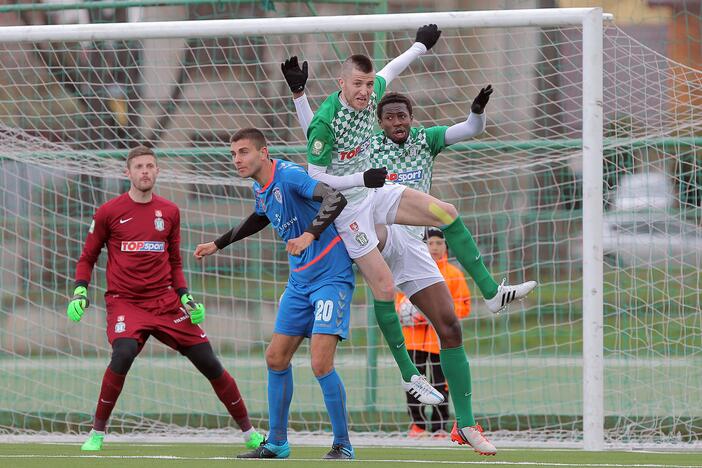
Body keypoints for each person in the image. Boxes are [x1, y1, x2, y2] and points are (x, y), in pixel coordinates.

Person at [282, 52, 536, 455]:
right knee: (382, 287)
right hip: (352, 212)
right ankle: (408, 374)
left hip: (388, 210)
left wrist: (421, 46)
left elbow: (390, 72)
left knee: (450, 313)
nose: (366, 92)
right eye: (358, 85)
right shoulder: (332, 120)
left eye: (369, 86)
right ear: (341, 83)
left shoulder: (401, 121)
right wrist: (299, 95)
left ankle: (467, 416)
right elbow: (316, 161)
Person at [66, 146, 263, 451]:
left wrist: (186, 297)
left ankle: (249, 432)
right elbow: (87, 256)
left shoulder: (170, 211)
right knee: (123, 352)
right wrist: (80, 290)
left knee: (209, 361)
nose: (144, 171)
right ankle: (97, 432)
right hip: (125, 303)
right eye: (139, 167)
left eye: (150, 166)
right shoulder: (109, 212)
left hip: (166, 302)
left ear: (157, 171)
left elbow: (174, 263)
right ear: (128, 173)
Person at [193, 128, 356, 460]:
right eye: (233, 154)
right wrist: (218, 244)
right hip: (299, 282)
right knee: (275, 358)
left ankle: (343, 444)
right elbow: (260, 217)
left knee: (320, 363)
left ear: (263, 153)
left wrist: (310, 236)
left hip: (330, 277)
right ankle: (278, 443)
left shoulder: (292, 176)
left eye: (243, 152)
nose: (237, 159)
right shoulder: (260, 186)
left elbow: (335, 199)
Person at [396, 229, 470, 439]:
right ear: (424, 246)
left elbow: (464, 306)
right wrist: (408, 313)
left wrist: (436, 314)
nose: (435, 247)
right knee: (415, 383)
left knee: (440, 384)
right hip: (413, 340)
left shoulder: (454, 275)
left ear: (446, 246)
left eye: (439, 243)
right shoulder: (410, 270)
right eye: (431, 243)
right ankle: (417, 425)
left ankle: (439, 426)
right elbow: (399, 304)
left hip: (439, 341)